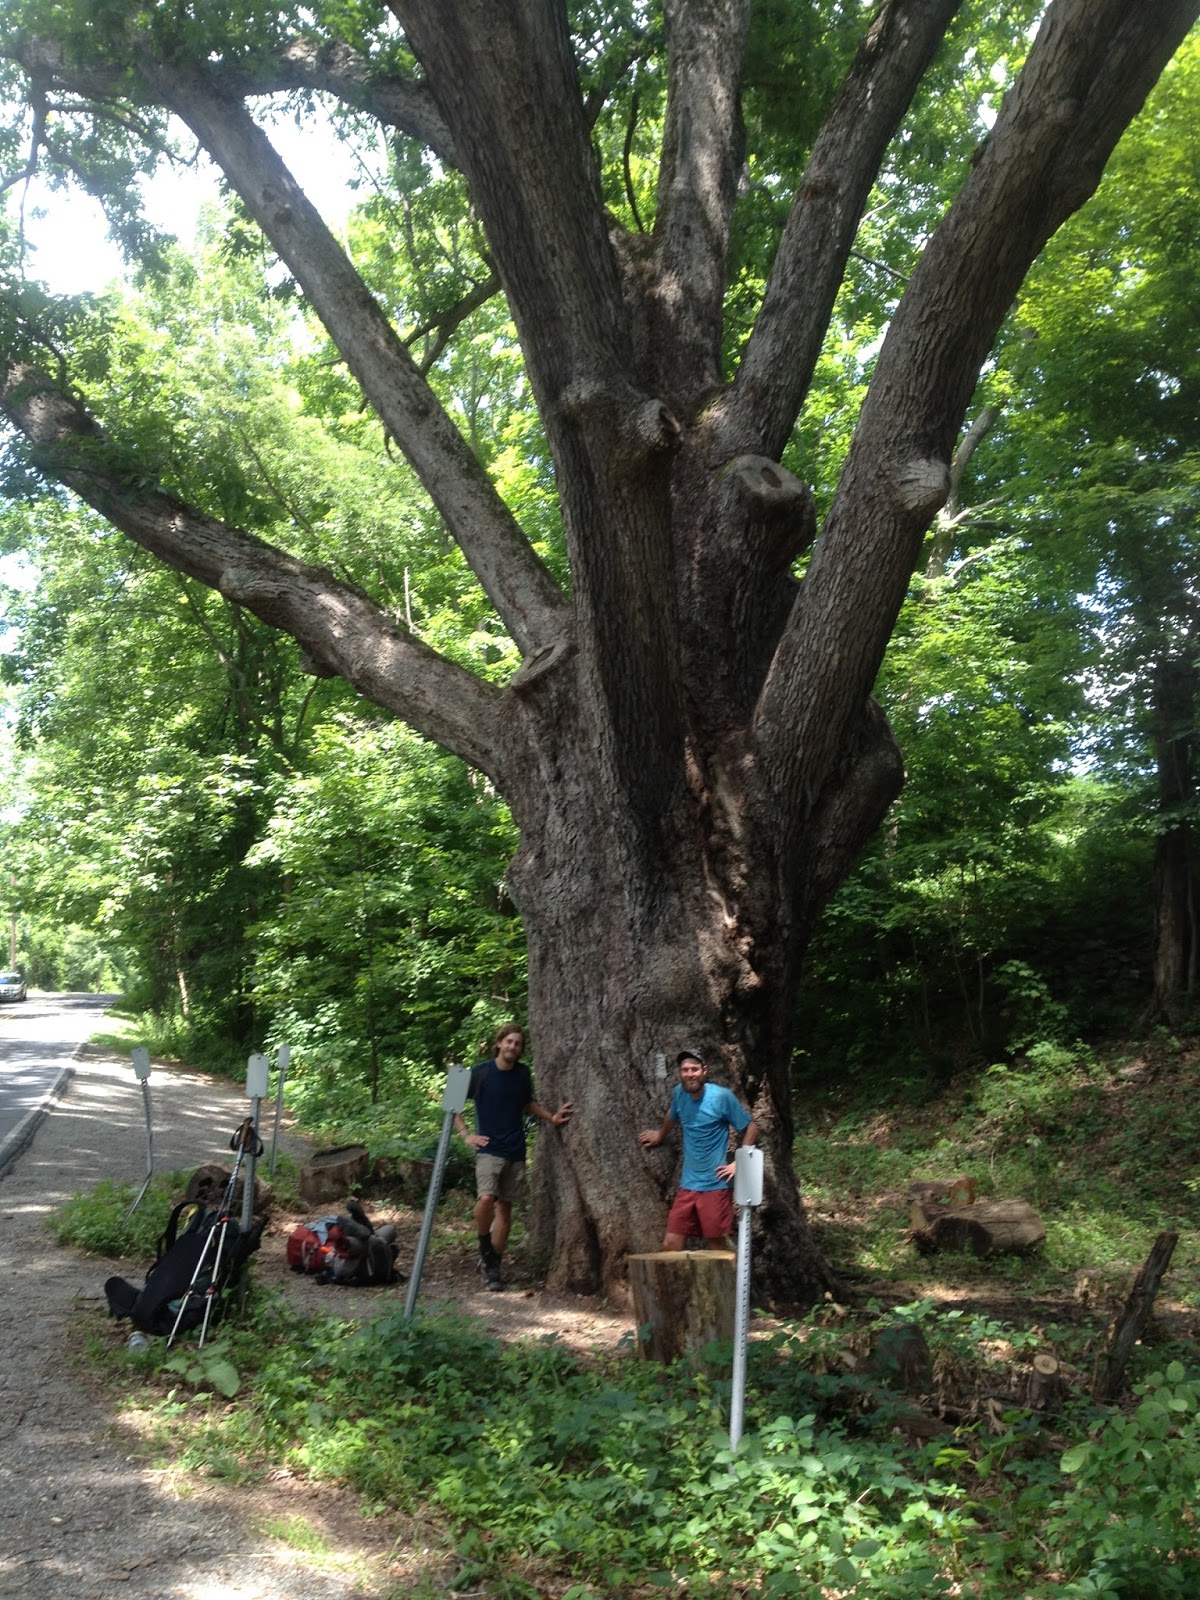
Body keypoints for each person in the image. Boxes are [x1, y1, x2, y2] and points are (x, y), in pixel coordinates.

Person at [454, 1023, 573, 1290]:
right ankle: (484, 1244)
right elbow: (453, 1105)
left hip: (515, 1149)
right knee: (486, 1198)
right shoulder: (480, 1072)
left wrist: (551, 1117)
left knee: (505, 1211)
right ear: (499, 1044)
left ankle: (492, 1268)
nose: (513, 1047)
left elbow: (526, 1103)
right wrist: (466, 1135)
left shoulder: (522, 1073)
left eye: (518, 1044)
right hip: (488, 1148)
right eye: (509, 1042)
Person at [638, 1048, 758, 1250]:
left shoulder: (722, 1097)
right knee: (671, 1243)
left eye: (694, 1069)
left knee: (716, 1246)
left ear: (704, 1071)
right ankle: (676, 1282)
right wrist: (660, 1134)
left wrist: (741, 1161)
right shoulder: (679, 1093)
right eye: (685, 1070)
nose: (689, 1074)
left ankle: (730, 1282)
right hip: (688, 1185)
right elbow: (672, 1114)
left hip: (715, 1185)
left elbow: (752, 1128)